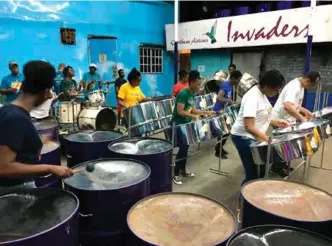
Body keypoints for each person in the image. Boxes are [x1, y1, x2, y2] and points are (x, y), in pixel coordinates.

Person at [0, 60, 73, 191]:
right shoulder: (15, 118)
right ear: (45, 92)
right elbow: (3, 167)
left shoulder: (10, 111)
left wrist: (39, 140)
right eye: (50, 91)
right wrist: (50, 168)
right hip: (15, 194)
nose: (50, 95)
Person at [231, 70, 291, 185]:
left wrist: (276, 122)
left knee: (261, 170)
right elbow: (249, 126)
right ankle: (245, 201)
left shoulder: (262, 94)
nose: (277, 92)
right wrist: (268, 139)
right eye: (276, 89)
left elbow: (261, 116)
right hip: (243, 137)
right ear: (268, 86)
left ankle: (252, 196)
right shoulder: (252, 97)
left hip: (254, 136)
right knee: (253, 174)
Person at [172, 70, 215, 185]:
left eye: (199, 84)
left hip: (186, 124)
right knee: (182, 149)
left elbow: (193, 110)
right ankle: (175, 173)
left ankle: (183, 170)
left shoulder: (192, 94)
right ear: (190, 82)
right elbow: (179, 111)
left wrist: (206, 112)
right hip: (178, 124)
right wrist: (193, 116)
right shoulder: (183, 93)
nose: (198, 86)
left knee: (185, 148)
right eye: (197, 84)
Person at [213, 70, 242, 159]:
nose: (238, 82)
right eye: (238, 80)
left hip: (224, 110)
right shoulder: (225, 85)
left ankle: (219, 148)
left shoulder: (230, 86)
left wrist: (231, 103)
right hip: (219, 111)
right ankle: (218, 151)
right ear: (233, 78)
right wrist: (228, 101)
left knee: (227, 131)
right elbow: (219, 97)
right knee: (224, 132)